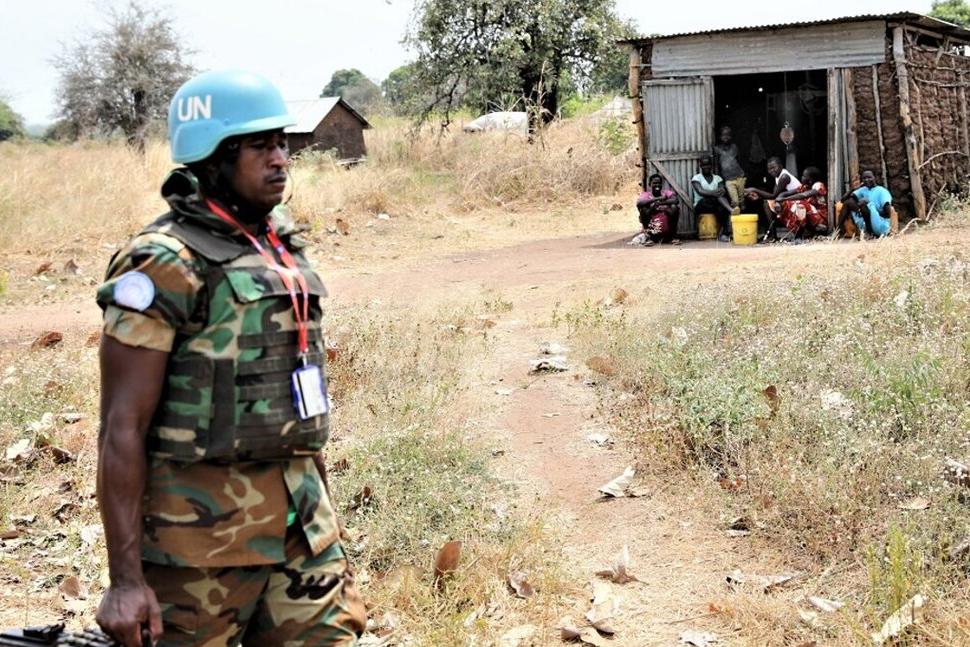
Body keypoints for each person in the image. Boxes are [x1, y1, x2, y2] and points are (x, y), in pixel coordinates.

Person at [94, 70, 366, 647]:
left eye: (282, 143)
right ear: (214, 157)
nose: (280, 158)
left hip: (301, 531)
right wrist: (125, 582)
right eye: (260, 146)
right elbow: (121, 426)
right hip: (199, 547)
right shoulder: (161, 261)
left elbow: (295, 397)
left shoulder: (277, 244)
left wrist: (330, 533)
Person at [744, 157, 801, 239]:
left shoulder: (784, 177)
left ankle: (772, 234)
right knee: (766, 202)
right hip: (790, 198)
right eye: (769, 169)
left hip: (798, 200)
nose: (771, 171)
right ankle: (771, 233)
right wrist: (759, 196)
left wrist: (754, 189)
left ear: (781, 166)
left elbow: (773, 196)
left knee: (767, 204)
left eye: (774, 167)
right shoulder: (778, 176)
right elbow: (773, 195)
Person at [771, 166, 829, 238]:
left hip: (821, 219)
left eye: (804, 176)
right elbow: (785, 193)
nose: (801, 177)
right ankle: (801, 231)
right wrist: (779, 201)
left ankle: (799, 235)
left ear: (810, 180)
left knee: (800, 204)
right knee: (786, 205)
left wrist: (785, 199)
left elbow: (803, 195)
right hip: (810, 218)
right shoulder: (804, 187)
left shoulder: (818, 185)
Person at [837, 170, 893, 239]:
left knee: (863, 204)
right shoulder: (864, 189)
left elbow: (888, 214)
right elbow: (843, 200)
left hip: (880, 224)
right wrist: (853, 189)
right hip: (868, 222)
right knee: (849, 202)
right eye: (864, 178)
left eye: (869, 177)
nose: (866, 180)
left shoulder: (882, 191)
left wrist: (871, 211)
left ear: (874, 177)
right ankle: (839, 230)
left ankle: (869, 233)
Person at [691, 155, 733, 242]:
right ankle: (731, 210)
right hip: (701, 205)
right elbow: (701, 191)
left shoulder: (718, 178)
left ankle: (724, 234)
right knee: (715, 200)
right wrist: (714, 193)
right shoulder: (696, 178)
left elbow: (722, 191)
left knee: (721, 207)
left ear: (711, 165)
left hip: (714, 204)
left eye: (708, 164)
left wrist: (714, 193)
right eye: (704, 165)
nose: (706, 167)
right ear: (701, 166)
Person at [636, 174, 681, 246]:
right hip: (652, 227)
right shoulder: (646, 194)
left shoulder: (666, 193)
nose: (657, 185)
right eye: (654, 183)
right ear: (650, 184)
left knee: (674, 207)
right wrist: (657, 199)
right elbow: (639, 203)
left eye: (659, 183)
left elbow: (675, 200)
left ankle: (672, 237)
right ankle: (649, 237)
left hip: (667, 227)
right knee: (643, 209)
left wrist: (660, 203)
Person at [713, 126, 746, 215]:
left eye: (728, 135)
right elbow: (716, 165)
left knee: (742, 200)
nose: (726, 137)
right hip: (728, 179)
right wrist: (718, 180)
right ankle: (735, 218)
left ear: (731, 136)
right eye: (724, 135)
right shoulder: (717, 149)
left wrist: (744, 173)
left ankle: (743, 218)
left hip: (739, 176)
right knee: (735, 201)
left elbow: (740, 161)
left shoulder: (734, 147)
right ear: (720, 136)